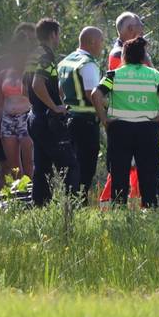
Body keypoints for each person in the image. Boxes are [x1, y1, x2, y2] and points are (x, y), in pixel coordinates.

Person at [93, 37, 159, 208]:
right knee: (149, 173)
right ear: (143, 56)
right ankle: (151, 208)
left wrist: (104, 119)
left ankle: (119, 208)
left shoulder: (114, 74)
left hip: (120, 129)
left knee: (119, 172)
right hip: (147, 129)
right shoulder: (154, 75)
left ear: (124, 55)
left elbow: (96, 94)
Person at [28, 18, 79, 205]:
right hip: (48, 119)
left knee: (42, 168)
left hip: (35, 116)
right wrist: (54, 106)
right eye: (59, 34)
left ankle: (40, 207)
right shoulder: (46, 55)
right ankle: (71, 207)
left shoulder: (33, 54)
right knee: (70, 166)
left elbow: (27, 86)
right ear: (53, 34)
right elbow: (37, 84)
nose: (59, 38)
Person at [101, 11, 147, 202]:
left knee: (134, 165)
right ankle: (109, 202)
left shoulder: (126, 51)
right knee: (122, 166)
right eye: (140, 26)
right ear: (130, 29)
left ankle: (136, 203)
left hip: (134, 115)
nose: (143, 30)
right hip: (125, 117)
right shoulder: (118, 54)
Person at [58, 26, 106, 199]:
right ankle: (80, 202)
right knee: (86, 166)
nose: (102, 45)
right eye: (101, 41)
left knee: (72, 165)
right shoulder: (88, 63)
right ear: (92, 42)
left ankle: (70, 201)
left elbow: (60, 91)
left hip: (69, 120)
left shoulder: (66, 61)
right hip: (86, 122)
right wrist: (106, 114)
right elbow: (92, 94)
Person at [0, 23, 35, 192]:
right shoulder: (4, 73)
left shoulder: (31, 71)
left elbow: (35, 96)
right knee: (13, 166)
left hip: (26, 117)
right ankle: (20, 196)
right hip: (7, 119)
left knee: (28, 163)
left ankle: (32, 196)